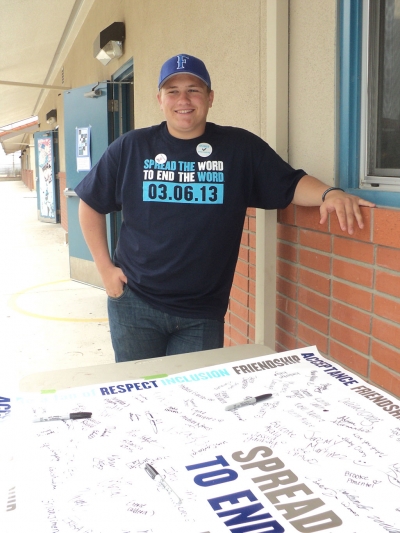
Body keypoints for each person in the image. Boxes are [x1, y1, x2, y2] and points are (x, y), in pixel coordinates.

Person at [75, 54, 375, 363]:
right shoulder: (131, 147)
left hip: (201, 312)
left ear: (210, 97)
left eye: (193, 89)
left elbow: (289, 183)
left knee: (193, 400)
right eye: (173, 91)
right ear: (159, 99)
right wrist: (105, 270)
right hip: (135, 303)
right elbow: (90, 204)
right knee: (139, 394)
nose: (183, 99)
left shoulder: (239, 148)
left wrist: (330, 193)